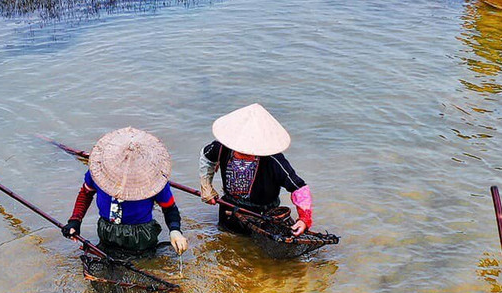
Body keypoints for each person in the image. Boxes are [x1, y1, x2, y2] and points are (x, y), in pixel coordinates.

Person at [61, 127, 188, 255]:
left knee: (142, 263)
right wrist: (75, 220)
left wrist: (175, 230)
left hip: (140, 235)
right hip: (107, 230)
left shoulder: (154, 179)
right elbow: (85, 194)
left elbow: (169, 208)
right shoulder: (99, 172)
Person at [198, 103, 313, 236]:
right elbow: (206, 157)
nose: (242, 153)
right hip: (229, 209)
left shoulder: (273, 160)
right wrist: (206, 186)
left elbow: (299, 188)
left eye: (247, 152)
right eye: (239, 150)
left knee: (255, 252)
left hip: (262, 216)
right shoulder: (222, 148)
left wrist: (304, 219)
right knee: (226, 241)